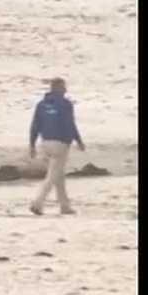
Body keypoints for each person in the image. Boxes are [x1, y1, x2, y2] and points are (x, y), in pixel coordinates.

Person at [28, 77, 85, 215]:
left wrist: (32, 144)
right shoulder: (65, 104)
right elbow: (70, 124)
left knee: (58, 174)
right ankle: (37, 203)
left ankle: (64, 206)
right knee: (52, 176)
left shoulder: (41, 105)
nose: (66, 89)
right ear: (59, 88)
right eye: (64, 87)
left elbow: (35, 125)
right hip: (60, 143)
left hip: (45, 142)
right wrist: (78, 140)